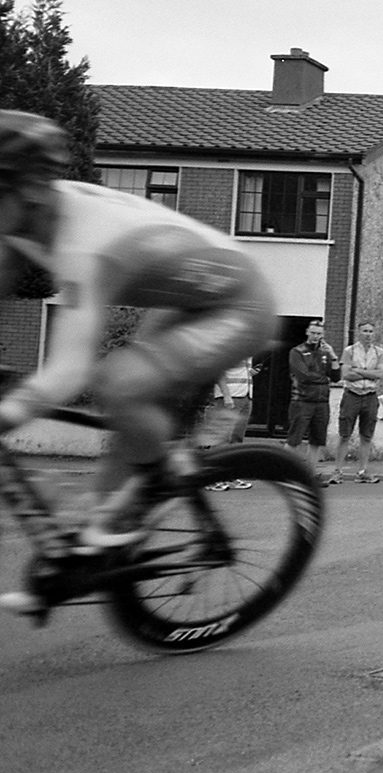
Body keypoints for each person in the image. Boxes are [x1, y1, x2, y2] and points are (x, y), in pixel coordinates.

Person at [0, 110, 276, 612]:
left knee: (117, 384)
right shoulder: (23, 217)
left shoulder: (90, 246)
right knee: (109, 473)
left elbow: (68, 371)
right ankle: (89, 551)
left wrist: (11, 412)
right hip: (182, 301)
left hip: (242, 303)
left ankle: (158, 480)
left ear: (32, 189)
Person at [331, 320, 383, 484]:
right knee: (345, 434)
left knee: (366, 435)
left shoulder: (380, 352)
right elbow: (346, 374)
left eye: (371, 331)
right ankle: (337, 472)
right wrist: (369, 373)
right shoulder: (349, 351)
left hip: (370, 395)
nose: (368, 335)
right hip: (352, 395)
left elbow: (380, 374)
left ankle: (362, 471)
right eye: (365, 331)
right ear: (359, 333)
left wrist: (358, 370)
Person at [286, 319, 340, 482]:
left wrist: (334, 357)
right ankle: (283, 472)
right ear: (307, 332)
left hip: (322, 402)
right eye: (313, 333)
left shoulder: (324, 353)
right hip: (301, 401)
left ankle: (309, 476)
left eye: (319, 334)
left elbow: (336, 377)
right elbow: (303, 376)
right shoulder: (297, 352)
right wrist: (324, 378)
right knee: (294, 439)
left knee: (317, 440)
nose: (316, 337)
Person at [202, 356, 258, 490]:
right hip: (230, 397)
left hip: (245, 396)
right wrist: (226, 395)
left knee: (236, 439)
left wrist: (250, 373)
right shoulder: (233, 346)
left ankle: (230, 475)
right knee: (222, 439)